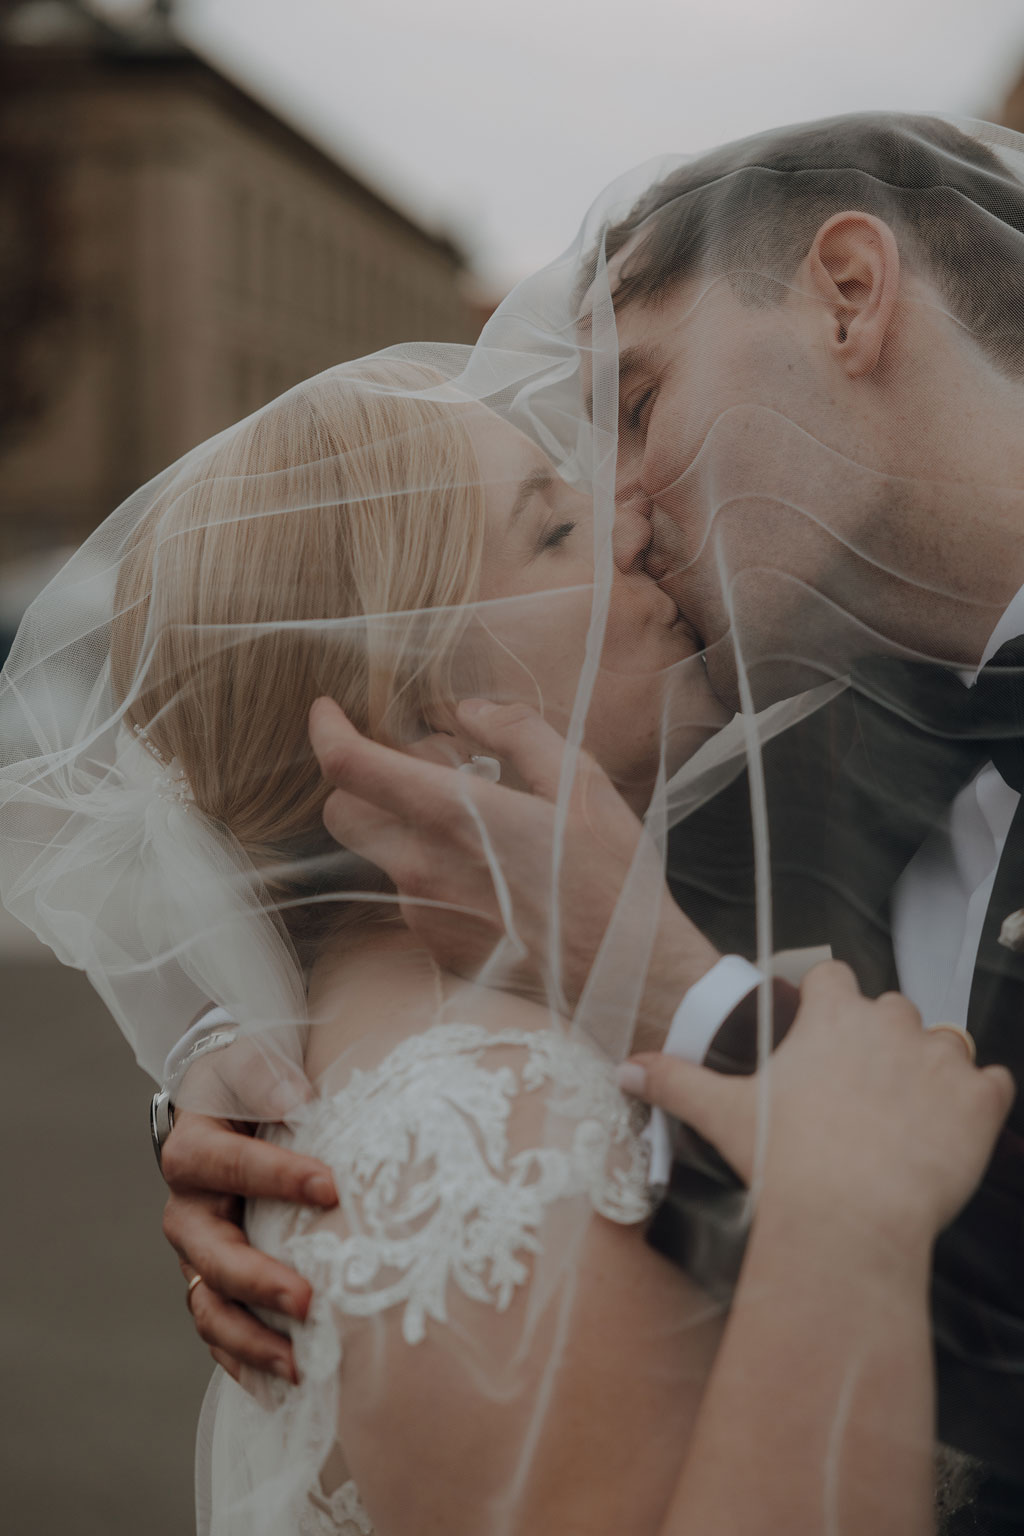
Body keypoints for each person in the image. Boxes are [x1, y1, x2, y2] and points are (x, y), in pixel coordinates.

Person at [161, 114, 1024, 1534]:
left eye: (635, 406)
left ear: (848, 297)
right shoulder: (762, 784)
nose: (627, 514)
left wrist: (695, 1016)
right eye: (560, 518)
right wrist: (261, 1076)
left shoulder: (649, 881)